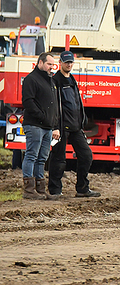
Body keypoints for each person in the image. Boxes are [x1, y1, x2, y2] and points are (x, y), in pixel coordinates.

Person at [48, 51, 100, 198]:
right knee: (58, 159)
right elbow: (54, 106)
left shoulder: (72, 79)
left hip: (76, 127)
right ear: (60, 63)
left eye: (71, 62)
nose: (69, 65)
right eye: (66, 62)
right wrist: (55, 127)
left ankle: (82, 188)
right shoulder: (56, 81)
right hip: (61, 127)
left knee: (86, 155)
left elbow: (77, 102)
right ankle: (55, 190)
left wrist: (82, 121)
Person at [21, 52, 60, 200]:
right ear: (40, 63)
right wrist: (42, 117)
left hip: (47, 127)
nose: (52, 67)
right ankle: (29, 191)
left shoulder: (50, 81)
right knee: (32, 155)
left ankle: (40, 190)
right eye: (49, 64)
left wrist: (54, 124)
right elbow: (28, 102)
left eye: (52, 64)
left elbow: (54, 105)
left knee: (42, 157)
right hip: (35, 125)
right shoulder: (31, 79)